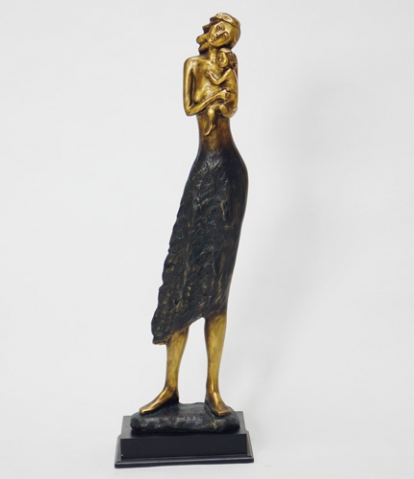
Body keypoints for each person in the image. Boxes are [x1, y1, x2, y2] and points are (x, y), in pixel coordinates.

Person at [139, 13, 247, 418]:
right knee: (183, 278)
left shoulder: (229, 66)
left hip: (230, 172)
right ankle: (170, 387)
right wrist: (213, 95)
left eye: (229, 35)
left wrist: (225, 88)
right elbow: (189, 108)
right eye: (220, 29)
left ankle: (213, 390)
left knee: (218, 286)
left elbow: (232, 108)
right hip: (205, 169)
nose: (222, 37)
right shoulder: (194, 65)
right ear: (209, 30)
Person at [204, 47, 238, 136]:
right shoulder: (227, 71)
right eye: (219, 58)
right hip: (226, 98)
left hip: (230, 101)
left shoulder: (229, 72)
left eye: (222, 58)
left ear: (229, 59)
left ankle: (226, 111)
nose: (220, 61)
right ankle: (212, 125)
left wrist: (210, 75)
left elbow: (217, 82)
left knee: (221, 107)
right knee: (211, 109)